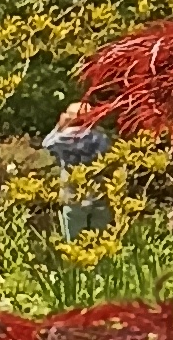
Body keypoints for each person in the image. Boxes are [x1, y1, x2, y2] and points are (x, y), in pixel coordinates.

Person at [41, 88, 117, 241]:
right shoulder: (98, 137)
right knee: (100, 242)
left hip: (72, 196)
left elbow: (46, 144)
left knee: (74, 245)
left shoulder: (60, 139)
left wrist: (59, 126)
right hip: (98, 196)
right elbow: (111, 153)